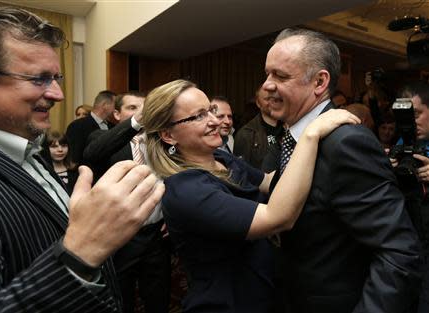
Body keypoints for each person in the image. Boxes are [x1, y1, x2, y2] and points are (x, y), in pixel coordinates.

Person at [0, 5, 164, 313]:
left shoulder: (27, 150)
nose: (58, 94)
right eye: (38, 79)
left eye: (56, 77)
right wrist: (82, 252)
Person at [141, 79, 360, 313]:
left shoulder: (221, 159)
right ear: (168, 135)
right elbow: (277, 217)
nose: (215, 121)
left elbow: (268, 181)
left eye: (210, 111)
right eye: (198, 117)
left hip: (263, 288)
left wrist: (332, 166)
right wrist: (310, 135)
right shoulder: (187, 190)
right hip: (230, 302)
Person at [263, 27, 421, 313]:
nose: (267, 85)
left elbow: (399, 251)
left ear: (320, 82)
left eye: (281, 76)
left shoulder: (346, 142)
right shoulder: (289, 138)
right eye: (267, 74)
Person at [83, 91, 171, 313]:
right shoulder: (102, 138)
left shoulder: (161, 142)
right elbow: (92, 154)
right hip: (121, 237)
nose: (140, 112)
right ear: (116, 113)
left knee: (158, 297)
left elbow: (174, 179)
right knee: (122, 298)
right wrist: (136, 121)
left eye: (143, 108)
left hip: (156, 236)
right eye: (132, 108)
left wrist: (171, 214)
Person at [391, 81, 429, 313]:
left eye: (417, 114)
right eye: (405, 116)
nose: (411, 122)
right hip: (410, 244)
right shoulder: (403, 146)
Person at [234, 86, 282, 170]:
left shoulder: (288, 127)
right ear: (258, 103)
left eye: (275, 99)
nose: (272, 102)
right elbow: (241, 172)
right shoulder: (246, 134)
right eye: (267, 99)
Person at [66, 90, 116, 165]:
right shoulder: (77, 125)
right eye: (115, 105)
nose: (117, 109)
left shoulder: (113, 126)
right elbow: (74, 157)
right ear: (105, 105)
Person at [40, 131, 78, 195]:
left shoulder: (76, 170)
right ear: (46, 149)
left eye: (64, 146)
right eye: (54, 146)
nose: (60, 149)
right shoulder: (42, 171)